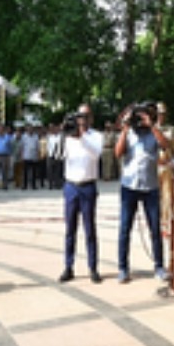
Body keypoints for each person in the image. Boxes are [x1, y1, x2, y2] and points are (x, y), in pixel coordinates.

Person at [114, 102, 171, 283]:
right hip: (129, 187)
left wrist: (152, 125)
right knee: (125, 229)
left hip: (150, 187)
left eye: (142, 117)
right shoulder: (129, 133)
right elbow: (117, 153)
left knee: (155, 229)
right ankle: (123, 268)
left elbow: (166, 145)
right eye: (137, 117)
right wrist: (124, 128)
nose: (139, 121)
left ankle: (159, 267)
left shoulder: (154, 133)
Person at [59, 104, 103, 283]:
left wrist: (82, 137)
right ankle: (68, 266)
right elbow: (59, 156)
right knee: (70, 229)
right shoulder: (68, 137)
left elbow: (95, 154)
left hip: (88, 186)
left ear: (90, 118)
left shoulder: (96, 136)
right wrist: (65, 133)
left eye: (85, 116)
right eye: (79, 116)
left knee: (90, 229)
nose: (82, 120)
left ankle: (93, 267)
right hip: (71, 185)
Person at [155, 102, 174, 235]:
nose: (160, 116)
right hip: (155, 166)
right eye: (158, 114)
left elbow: (173, 147)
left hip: (167, 165)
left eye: (162, 114)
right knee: (155, 196)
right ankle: (155, 222)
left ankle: (166, 224)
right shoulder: (150, 129)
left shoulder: (170, 130)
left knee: (168, 197)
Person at [0, 123, 12, 190]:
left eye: (1, 129)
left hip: (5, 156)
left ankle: (5, 185)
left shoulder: (7, 137)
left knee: (5, 171)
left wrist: (9, 156)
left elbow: (10, 147)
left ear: (3, 130)